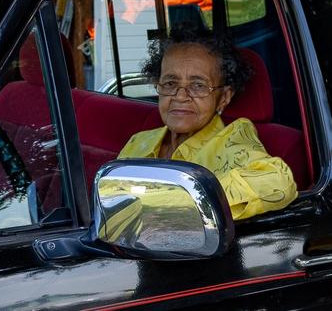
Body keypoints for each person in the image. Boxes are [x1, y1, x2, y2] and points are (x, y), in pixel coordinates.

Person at [118, 26, 297, 220]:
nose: (180, 96)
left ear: (224, 97)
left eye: (198, 85)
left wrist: (181, 202)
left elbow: (277, 181)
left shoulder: (232, 138)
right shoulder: (140, 140)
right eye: (170, 83)